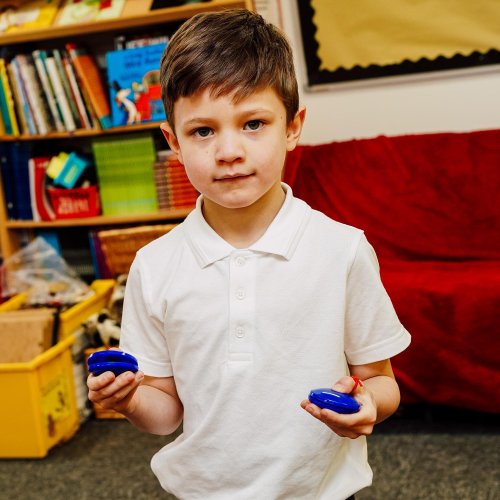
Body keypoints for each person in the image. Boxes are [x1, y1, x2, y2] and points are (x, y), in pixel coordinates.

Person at [87, 9, 411, 499]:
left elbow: (382, 382)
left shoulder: (342, 250)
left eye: (253, 123)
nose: (229, 151)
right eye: (203, 131)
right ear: (173, 141)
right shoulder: (154, 267)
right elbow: (164, 414)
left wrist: (368, 404)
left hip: (320, 491)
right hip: (201, 490)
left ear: (293, 127)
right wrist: (129, 398)